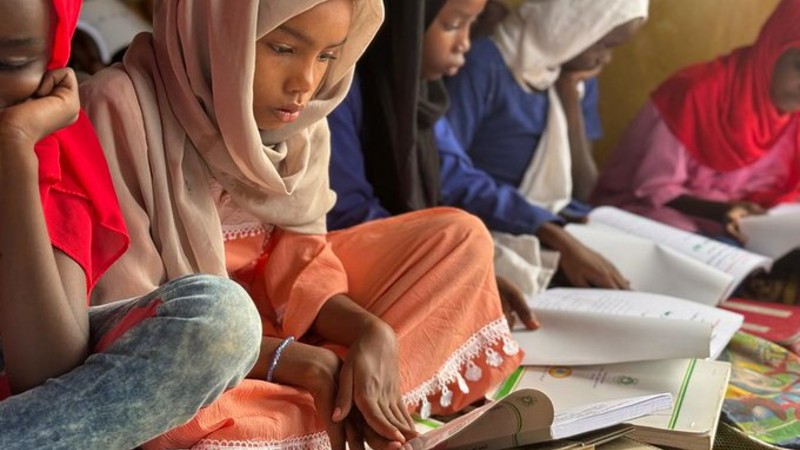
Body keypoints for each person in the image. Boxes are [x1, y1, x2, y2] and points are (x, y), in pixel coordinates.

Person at [81, 0, 523, 449]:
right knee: (164, 415)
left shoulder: (301, 120)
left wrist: (370, 330)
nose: (307, 84)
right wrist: (293, 362)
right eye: (283, 48)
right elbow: (130, 323)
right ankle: (346, 403)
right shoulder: (119, 108)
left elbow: (303, 258)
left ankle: (346, 392)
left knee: (458, 239)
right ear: (214, 26)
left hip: (280, 322)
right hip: (193, 349)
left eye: (328, 56)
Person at [0, 1, 261, 449]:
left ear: (53, 61)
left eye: (11, 62)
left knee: (221, 319)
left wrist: (16, 148)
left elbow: (45, 374)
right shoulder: (119, 105)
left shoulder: (54, 152)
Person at [328, 0, 537, 327]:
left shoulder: (423, 96)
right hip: (351, 260)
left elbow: (454, 172)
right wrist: (449, 266)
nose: (465, 43)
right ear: (403, 24)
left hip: (402, 248)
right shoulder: (338, 89)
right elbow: (347, 210)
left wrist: (547, 225)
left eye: (472, 25)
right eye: (453, 25)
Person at [438, 0, 647, 290]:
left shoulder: (572, 78)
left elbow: (585, 187)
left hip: (553, 217)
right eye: (602, 44)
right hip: (496, 218)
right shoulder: (484, 65)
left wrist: (568, 94)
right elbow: (445, 173)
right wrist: (548, 230)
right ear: (569, 27)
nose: (606, 59)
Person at [592, 0, 800, 245]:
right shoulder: (696, 93)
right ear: (773, 47)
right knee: (691, 246)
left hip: (741, 226)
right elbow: (653, 188)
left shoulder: (793, 117)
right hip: (658, 213)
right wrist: (721, 211)